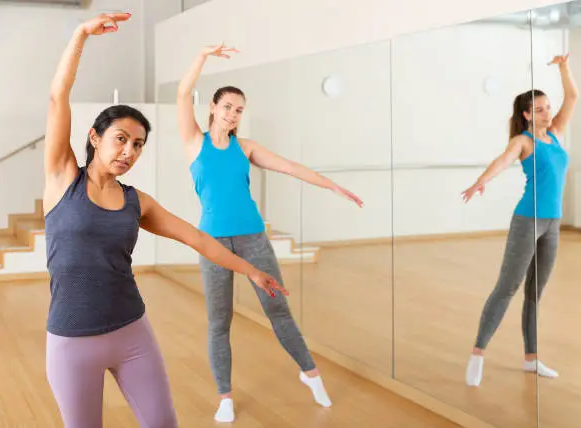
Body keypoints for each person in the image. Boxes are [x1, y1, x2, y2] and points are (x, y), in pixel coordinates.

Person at [43, 14, 285, 428]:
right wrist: (81, 35)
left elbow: (197, 238)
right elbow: (57, 97)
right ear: (94, 137)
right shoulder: (62, 177)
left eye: (137, 144)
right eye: (121, 138)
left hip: (132, 333)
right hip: (72, 340)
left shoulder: (138, 202)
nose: (129, 151)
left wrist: (252, 271)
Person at [176, 43, 364, 422]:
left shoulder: (246, 148)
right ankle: (225, 397)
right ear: (212, 108)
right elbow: (182, 93)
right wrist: (203, 56)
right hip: (212, 243)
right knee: (219, 321)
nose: (233, 114)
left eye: (239, 110)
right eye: (227, 106)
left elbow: (290, 167)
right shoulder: (194, 142)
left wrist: (332, 186)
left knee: (278, 308)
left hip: (253, 239)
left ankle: (309, 372)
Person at [462, 54, 578, 387]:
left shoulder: (555, 134)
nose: (547, 112)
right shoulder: (523, 141)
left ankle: (531, 359)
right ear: (526, 115)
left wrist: (563, 68)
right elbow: (502, 161)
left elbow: (573, 97)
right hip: (527, 221)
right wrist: (482, 180)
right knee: (507, 287)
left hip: (552, 225)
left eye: (547, 107)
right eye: (539, 109)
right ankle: (477, 353)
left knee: (534, 294)